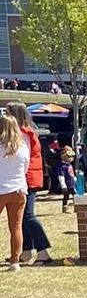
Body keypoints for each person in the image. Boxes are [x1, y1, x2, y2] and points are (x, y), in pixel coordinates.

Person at [11, 105, 54, 265]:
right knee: (23, 216)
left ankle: (43, 252)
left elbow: (21, 158)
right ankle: (26, 251)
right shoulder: (27, 132)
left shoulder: (23, 134)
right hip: (28, 176)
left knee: (28, 215)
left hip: (27, 178)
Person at [0, 110, 29, 271]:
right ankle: (14, 261)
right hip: (18, 189)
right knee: (16, 227)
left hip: (1, 188)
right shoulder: (22, 147)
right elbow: (25, 168)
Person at [58, 146, 77, 211]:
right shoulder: (62, 166)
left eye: (72, 157)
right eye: (69, 157)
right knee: (66, 196)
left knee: (75, 195)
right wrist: (63, 185)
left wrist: (74, 178)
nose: (71, 159)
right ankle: (65, 207)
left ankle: (76, 207)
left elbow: (71, 173)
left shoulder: (70, 165)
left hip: (72, 183)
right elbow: (61, 176)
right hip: (66, 184)